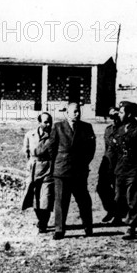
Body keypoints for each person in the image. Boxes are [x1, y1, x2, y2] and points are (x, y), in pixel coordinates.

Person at [47, 102, 96, 240]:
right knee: (61, 201)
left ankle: (88, 227)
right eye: (74, 111)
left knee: (84, 200)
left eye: (79, 111)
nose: (77, 114)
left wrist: (84, 163)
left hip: (79, 171)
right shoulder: (58, 127)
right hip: (62, 171)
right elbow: (51, 148)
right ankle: (59, 230)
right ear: (67, 113)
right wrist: (58, 163)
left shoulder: (87, 127)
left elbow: (90, 149)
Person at [113, 101, 137, 239]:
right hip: (120, 169)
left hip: (135, 170)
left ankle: (131, 226)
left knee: (133, 199)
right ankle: (126, 219)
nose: (119, 114)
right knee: (118, 198)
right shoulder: (119, 129)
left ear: (129, 114)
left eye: (121, 112)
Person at [22, 112, 54, 234]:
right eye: (45, 122)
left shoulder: (53, 135)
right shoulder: (30, 135)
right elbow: (27, 152)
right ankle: (40, 220)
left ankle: (43, 223)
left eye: (50, 121)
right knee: (34, 197)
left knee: (46, 197)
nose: (48, 124)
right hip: (33, 169)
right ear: (39, 122)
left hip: (48, 169)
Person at [97, 107, 121, 223]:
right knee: (101, 188)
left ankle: (118, 215)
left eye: (116, 116)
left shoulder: (125, 129)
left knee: (119, 190)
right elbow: (107, 148)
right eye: (111, 117)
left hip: (120, 163)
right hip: (107, 163)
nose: (114, 119)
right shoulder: (108, 130)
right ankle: (111, 210)